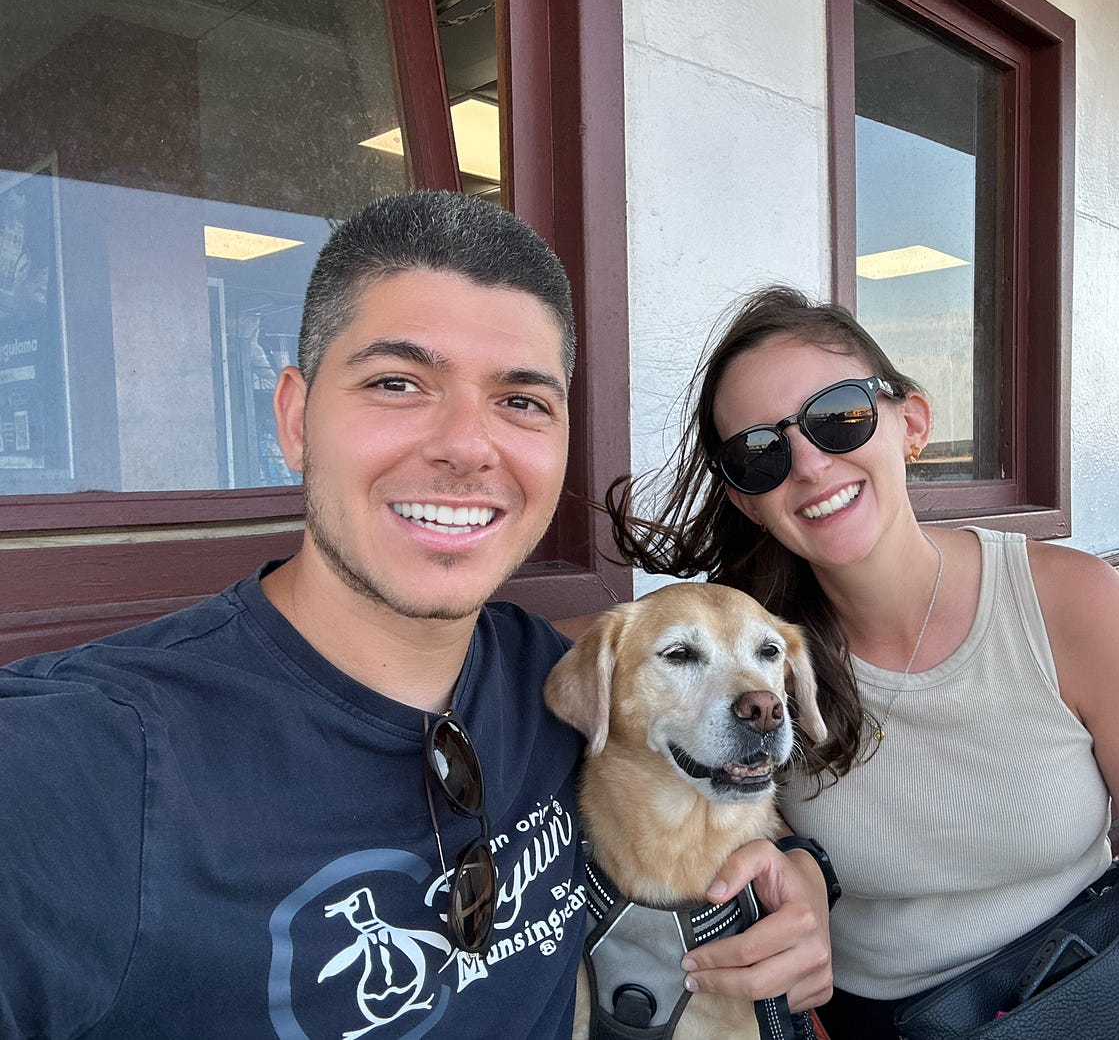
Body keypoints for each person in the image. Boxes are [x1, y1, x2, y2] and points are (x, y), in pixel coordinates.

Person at [0, 195, 829, 1039]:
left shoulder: (548, 678)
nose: (467, 445)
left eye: (522, 402)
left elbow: (715, 746)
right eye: (397, 383)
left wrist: (799, 870)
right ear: (294, 420)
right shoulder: (85, 764)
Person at [605, 286, 1119, 1038]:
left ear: (910, 423)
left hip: (1074, 990)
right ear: (747, 499)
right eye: (761, 453)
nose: (812, 465)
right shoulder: (747, 656)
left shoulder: (1070, 606)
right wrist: (802, 867)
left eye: (839, 417)